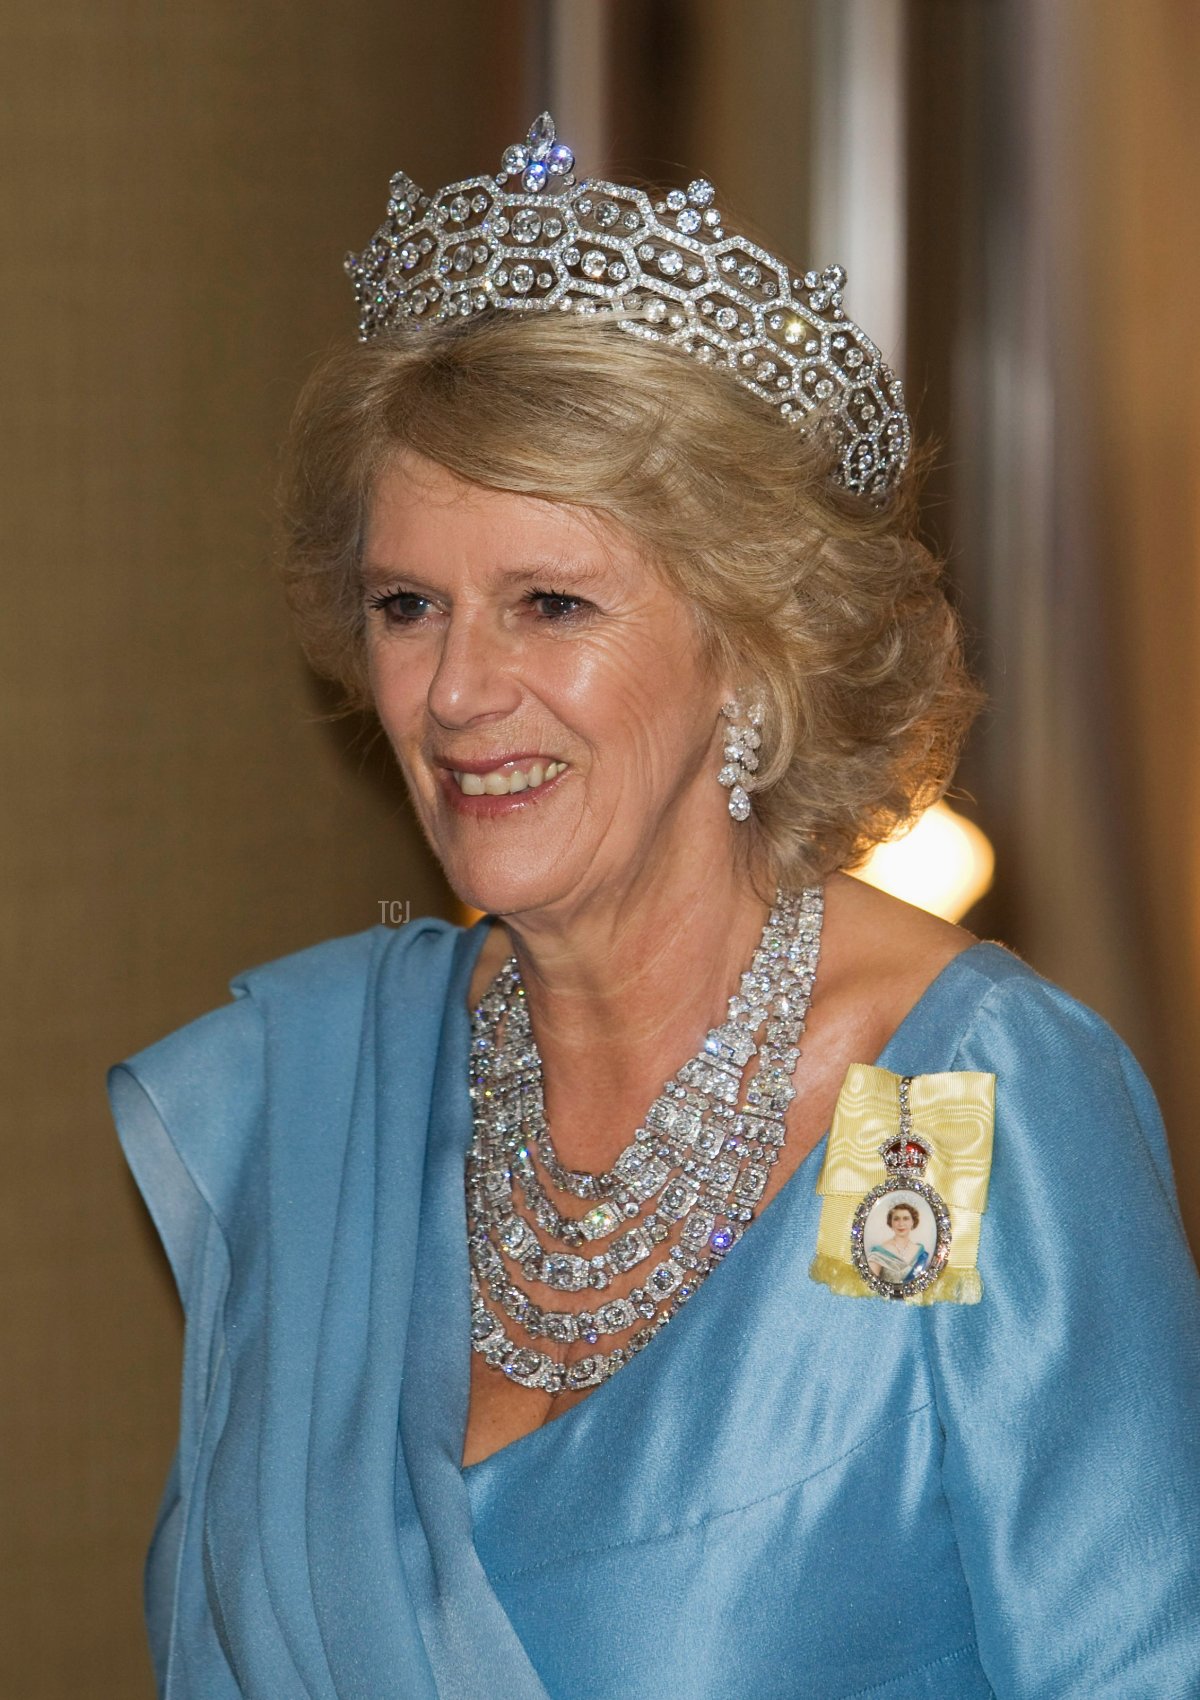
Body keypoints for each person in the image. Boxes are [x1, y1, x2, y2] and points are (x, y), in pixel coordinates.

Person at [108, 114, 1200, 1699]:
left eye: (551, 604)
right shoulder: (319, 1104)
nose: (460, 691)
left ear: (751, 651)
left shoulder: (939, 1112)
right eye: (409, 607)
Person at [867, 1201, 929, 1284]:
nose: (901, 1224)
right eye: (896, 1219)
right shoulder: (878, 1253)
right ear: (891, 1223)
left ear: (912, 1222)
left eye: (906, 1218)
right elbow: (870, 1284)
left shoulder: (921, 1253)